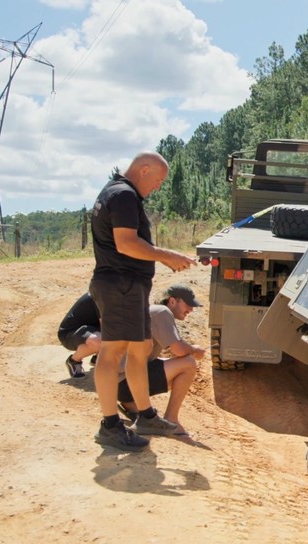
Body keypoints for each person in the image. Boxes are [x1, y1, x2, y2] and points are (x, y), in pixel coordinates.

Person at [89, 151, 197, 451]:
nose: (158, 187)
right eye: (158, 180)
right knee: (112, 354)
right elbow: (126, 243)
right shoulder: (124, 195)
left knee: (141, 349)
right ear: (144, 169)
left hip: (129, 286)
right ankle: (110, 425)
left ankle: (147, 415)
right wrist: (168, 256)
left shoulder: (115, 192)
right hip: (119, 284)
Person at [116, 284, 206, 435]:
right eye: (188, 304)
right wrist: (194, 350)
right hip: (125, 381)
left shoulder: (154, 312)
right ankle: (172, 419)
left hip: (118, 382)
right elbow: (179, 350)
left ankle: (132, 404)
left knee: (167, 362)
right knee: (188, 364)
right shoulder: (162, 312)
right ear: (172, 301)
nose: (191, 309)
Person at [58, 293, 101, 378]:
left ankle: (98, 358)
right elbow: (106, 325)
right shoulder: (103, 294)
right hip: (70, 334)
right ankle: (74, 361)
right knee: (101, 340)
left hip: (91, 330)